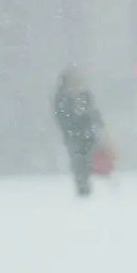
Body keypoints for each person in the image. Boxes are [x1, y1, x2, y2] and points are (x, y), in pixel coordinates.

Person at [52, 66, 108, 197]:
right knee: (78, 161)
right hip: (74, 136)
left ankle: (88, 183)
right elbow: (62, 118)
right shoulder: (62, 98)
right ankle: (82, 188)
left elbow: (94, 113)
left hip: (88, 134)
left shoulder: (84, 95)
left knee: (88, 159)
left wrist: (98, 125)